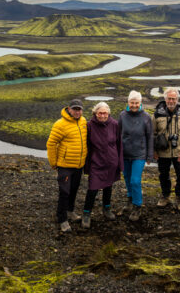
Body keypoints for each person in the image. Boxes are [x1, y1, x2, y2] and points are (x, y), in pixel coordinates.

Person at [47, 98, 88, 233]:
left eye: (79, 109)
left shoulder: (83, 122)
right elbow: (51, 144)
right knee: (64, 191)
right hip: (65, 165)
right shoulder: (60, 124)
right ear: (69, 109)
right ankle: (62, 218)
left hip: (78, 164)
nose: (77, 112)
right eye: (75, 109)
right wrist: (53, 163)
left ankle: (70, 211)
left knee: (74, 189)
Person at [81, 102, 124, 229]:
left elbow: (119, 143)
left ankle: (106, 209)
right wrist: (86, 164)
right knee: (93, 188)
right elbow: (86, 144)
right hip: (96, 161)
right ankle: (86, 214)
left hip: (111, 161)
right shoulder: (89, 125)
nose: (103, 115)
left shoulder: (115, 124)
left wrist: (119, 163)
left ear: (108, 113)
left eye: (105, 113)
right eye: (100, 113)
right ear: (95, 113)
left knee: (108, 187)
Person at [152, 87, 180, 211]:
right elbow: (152, 133)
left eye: (174, 98)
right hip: (162, 151)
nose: (171, 101)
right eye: (169, 98)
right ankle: (165, 196)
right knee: (163, 175)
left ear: (177, 99)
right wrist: (154, 150)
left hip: (179, 151)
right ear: (165, 99)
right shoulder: (157, 114)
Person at [118, 90, 153, 221]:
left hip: (139, 154)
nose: (134, 105)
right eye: (132, 102)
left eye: (136, 103)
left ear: (140, 103)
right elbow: (118, 134)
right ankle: (130, 199)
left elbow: (150, 136)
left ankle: (137, 205)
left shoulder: (146, 117)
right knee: (127, 177)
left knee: (135, 180)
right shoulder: (122, 115)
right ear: (128, 102)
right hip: (125, 154)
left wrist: (149, 155)